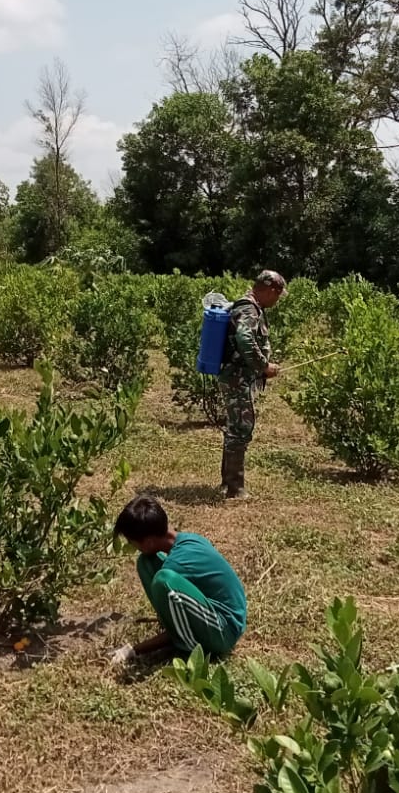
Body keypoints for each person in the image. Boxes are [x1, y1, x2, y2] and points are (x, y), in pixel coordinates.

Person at [109, 495, 247, 671]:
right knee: (146, 563)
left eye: (132, 542)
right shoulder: (187, 539)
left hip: (225, 630)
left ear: (149, 541)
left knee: (163, 580)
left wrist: (134, 650)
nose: (132, 546)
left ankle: (188, 649)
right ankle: (171, 623)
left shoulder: (176, 564)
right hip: (220, 618)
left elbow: (167, 580)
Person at [219, 270, 286, 499]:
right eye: (277, 295)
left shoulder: (252, 307)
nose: (277, 301)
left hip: (238, 377)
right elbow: (244, 338)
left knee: (235, 428)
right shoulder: (248, 308)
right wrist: (263, 366)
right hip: (238, 378)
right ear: (269, 290)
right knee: (240, 430)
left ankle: (228, 483)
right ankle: (235, 489)